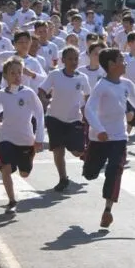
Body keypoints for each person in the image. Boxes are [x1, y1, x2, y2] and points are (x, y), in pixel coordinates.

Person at [84, 49, 135, 227]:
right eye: (122, 59)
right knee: (90, 174)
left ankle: (107, 210)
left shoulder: (127, 84)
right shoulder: (101, 85)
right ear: (112, 64)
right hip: (99, 138)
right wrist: (99, 129)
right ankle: (87, 158)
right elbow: (88, 110)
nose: (126, 62)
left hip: (119, 137)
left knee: (115, 169)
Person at [0, 57, 46, 214]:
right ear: (5, 76)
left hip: (25, 139)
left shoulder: (29, 93)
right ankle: (12, 201)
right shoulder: (1, 94)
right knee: (5, 169)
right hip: (5, 137)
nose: (17, 76)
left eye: (19, 72)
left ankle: (28, 157)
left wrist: (39, 139)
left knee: (24, 173)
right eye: (12, 73)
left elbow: (40, 115)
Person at [39, 46, 91, 192]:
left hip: (74, 119)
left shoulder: (82, 77)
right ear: (63, 60)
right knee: (58, 150)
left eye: (76, 59)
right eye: (70, 59)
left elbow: (88, 97)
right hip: (54, 118)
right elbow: (42, 90)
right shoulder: (55, 75)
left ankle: (87, 155)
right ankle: (63, 178)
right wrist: (44, 101)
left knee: (77, 152)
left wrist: (88, 115)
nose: (73, 61)